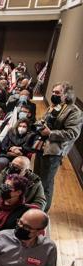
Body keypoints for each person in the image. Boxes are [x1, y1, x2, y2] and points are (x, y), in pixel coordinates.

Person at [34, 81, 82, 211]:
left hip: (54, 151)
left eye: (57, 92)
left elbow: (72, 133)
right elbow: (46, 119)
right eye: (53, 92)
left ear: (66, 95)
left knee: (46, 183)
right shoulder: (55, 106)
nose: (53, 94)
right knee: (36, 178)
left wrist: (51, 133)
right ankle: (34, 205)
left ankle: (42, 211)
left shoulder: (74, 111)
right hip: (41, 146)